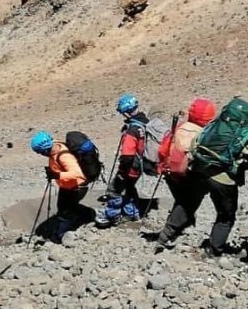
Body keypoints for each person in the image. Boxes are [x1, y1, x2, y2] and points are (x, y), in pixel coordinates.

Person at [155, 100, 248, 256]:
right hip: (224, 178)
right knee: (225, 216)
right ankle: (213, 250)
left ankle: (164, 237)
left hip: (200, 169)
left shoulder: (219, 122)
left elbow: (196, 142)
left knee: (187, 203)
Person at [151, 99, 217, 251]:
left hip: (170, 172)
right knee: (187, 203)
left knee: (182, 200)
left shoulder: (180, 127)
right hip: (189, 174)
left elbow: (163, 149)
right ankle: (166, 236)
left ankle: (181, 226)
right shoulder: (202, 133)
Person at [30, 131, 91, 241]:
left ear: (45, 149)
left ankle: (60, 236)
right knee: (63, 207)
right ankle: (88, 215)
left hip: (77, 187)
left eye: (40, 152)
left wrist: (57, 175)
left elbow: (78, 174)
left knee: (65, 212)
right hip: (67, 186)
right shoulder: (55, 148)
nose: (40, 154)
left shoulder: (64, 156)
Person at [100, 93, 150, 225]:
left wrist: (122, 172)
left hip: (131, 167)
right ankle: (132, 213)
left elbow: (127, 155)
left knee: (114, 189)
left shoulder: (132, 130)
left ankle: (111, 216)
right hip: (141, 165)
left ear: (126, 112)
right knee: (129, 187)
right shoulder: (145, 123)